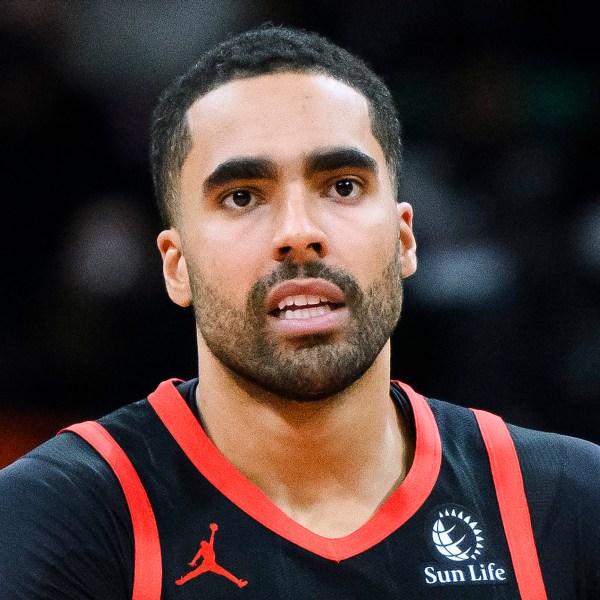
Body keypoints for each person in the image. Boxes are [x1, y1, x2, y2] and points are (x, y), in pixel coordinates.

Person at [0, 25, 598, 600]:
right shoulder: (60, 517)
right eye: (242, 197)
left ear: (404, 239)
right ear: (176, 265)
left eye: (341, 186)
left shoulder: (569, 503)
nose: (298, 233)